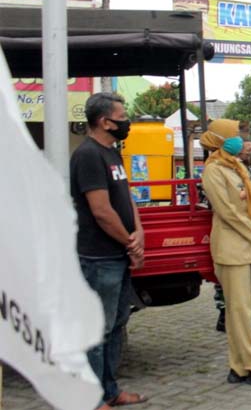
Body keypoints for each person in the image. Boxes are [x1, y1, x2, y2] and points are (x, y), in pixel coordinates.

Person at [70, 92, 148, 409]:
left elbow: (125, 197)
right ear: (104, 121)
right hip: (98, 258)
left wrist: (139, 230)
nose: (126, 121)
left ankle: (110, 391)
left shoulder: (112, 153)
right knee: (97, 332)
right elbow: (101, 211)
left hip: (117, 256)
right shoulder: (88, 155)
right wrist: (130, 242)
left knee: (116, 326)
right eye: (122, 116)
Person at [200, 119, 251, 390]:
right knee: (240, 312)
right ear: (220, 139)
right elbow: (227, 212)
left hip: (246, 245)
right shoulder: (213, 170)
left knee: (241, 312)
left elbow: (248, 208)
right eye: (235, 135)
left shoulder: (233, 166)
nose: (240, 139)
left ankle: (238, 367)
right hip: (231, 247)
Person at [214, 138, 251, 332]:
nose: (250, 152)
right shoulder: (225, 171)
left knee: (248, 279)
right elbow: (229, 208)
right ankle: (225, 314)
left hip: (250, 228)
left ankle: (245, 314)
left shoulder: (245, 171)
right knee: (230, 281)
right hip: (237, 230)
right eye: (247, 149)